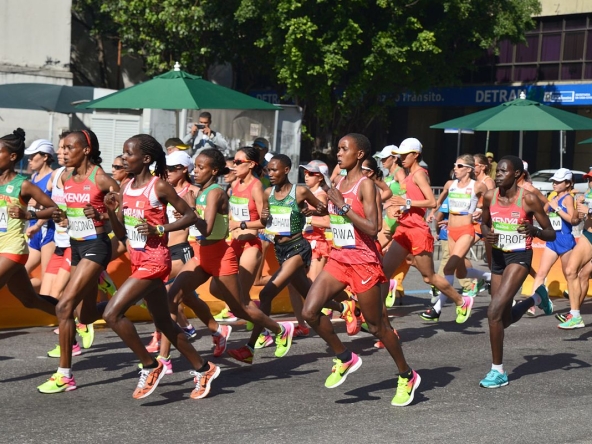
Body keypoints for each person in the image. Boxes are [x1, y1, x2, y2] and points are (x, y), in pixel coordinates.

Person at [302, 133, 421, 407]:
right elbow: (340, 223)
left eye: (344, 149)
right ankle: (344, 357)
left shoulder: (365, 185)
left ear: (359, 155)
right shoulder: (339, 182)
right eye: (339, 148)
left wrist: (342, 206)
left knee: (378, 327)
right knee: (309, 311)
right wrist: (314, 217)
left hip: (364, 262)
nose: (338, 153)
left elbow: (372, 227)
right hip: (339, 258)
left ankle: (407, 375)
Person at [100, 134, 220, 400]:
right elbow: (121, 234)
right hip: (137, 259)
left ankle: (150, 365)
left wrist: (159, 227)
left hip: (155, 261)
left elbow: (190, 215)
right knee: (165, 323)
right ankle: (204, 368)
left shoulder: (159, 187)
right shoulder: (125, 187)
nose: (123, 159)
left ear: (145, 158)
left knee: (111, 314)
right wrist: (110, 211)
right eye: (123, 153)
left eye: (128, 154)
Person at [37, 129, 120, 394]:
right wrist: (37, 214)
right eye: (62, 148)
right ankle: (125, 300)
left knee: (64, 306)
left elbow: (124, 214)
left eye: (69, 148)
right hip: (76, 245)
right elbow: (62, 210)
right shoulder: (66, 177)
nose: (64, 153)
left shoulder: (102, 178)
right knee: (84, 314)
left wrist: (103, 213)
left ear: (85, 150)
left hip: (97, 246)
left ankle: (65, 375)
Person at [479, 155, 555, 388]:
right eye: (497, 171)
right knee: (503, 318)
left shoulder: (528, 199)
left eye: (503, 171)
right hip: (499, 258)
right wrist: (486, 233)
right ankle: (537, 297)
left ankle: (498, 371)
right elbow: (484, 223)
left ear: (517, 175)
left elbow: (550, 233)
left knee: (493, 313)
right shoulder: (490, 196)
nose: (498, 175)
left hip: (519, 257)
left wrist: (534, 230)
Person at [381, 138, 474, 324]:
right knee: (384, 272)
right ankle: (378, 316)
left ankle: (461, 300)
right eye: (399, 156)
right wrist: (402, 209)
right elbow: (414, 202)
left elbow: (432, 202)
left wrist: (405, 202)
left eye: (405, 155)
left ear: (415, 155)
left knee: (428, 276)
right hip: (404, 229)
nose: (401, 159)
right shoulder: (408, 175)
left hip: (417, 231)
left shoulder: (419, 174)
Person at [249, 154, 326, 350]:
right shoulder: (268, 193)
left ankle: (252, 345)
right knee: (309, 295)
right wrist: (265, 218)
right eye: (268, 170)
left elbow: (323, 209)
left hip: (298, 247)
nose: (270, 173)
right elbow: (268, 222)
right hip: (280, 249)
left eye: (275, 170)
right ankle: (346, 307)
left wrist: (313, 212)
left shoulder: (300, 191)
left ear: (286, 170)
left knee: (266, 294)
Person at [0, 129, 61, 321]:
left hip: (13, 248)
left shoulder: (23, 185)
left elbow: (55, 210)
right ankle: (70, 319)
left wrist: (28, 215)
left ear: (12, 156)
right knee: (30, 300)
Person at [422, 154, 489, 321]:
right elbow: (438, 200)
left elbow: (490, 203)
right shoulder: (450, 184)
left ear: (469, 169)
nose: (455, 169)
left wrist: (480, 211)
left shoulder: (478, 186)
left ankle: (438, 308)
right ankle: (490, 278)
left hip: (467, 230)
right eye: (454, 165)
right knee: (461, 273)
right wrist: (432, 213)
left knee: (448, 268)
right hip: (451, 230)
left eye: (459, 166)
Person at [527, 168, 576, 316]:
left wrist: (557, 208)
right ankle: (531, 305)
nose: (554, 184)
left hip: (565, 240)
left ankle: (574, 309)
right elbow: (541, 213)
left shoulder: (568, 198)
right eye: (554, 181)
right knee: (541, 273)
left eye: (558, 182)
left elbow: (572, 220)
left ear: (567, 183)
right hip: (552, 239)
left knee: (569, 275)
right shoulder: (553, 195)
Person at [23, 139, 56, 291]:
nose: (29, 160)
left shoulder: (52, 178)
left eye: (32, 156)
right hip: (34, 232)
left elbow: (56, 208)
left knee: (47, 280)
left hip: (48, 233)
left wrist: (37, 223)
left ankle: (54, 310)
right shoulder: (34, 177)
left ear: (45, 157)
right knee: (20, 274)